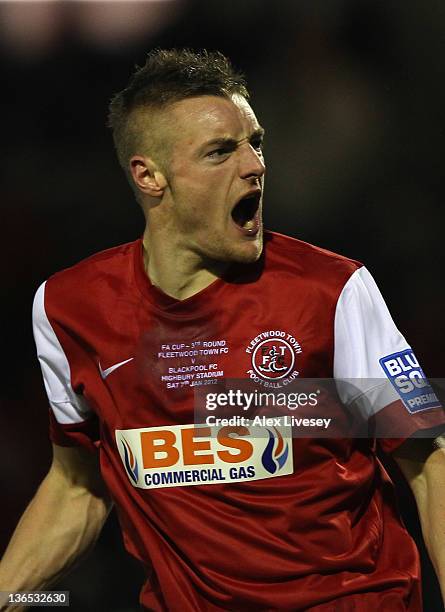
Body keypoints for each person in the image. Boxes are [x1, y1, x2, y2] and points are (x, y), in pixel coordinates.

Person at [0, 48, 444, 612]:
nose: (255, 164)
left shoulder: (332, 291)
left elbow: (430, 463)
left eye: (255, 141)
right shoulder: (70, 309)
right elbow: (78, 486)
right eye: (220, 151)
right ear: (149, 176)